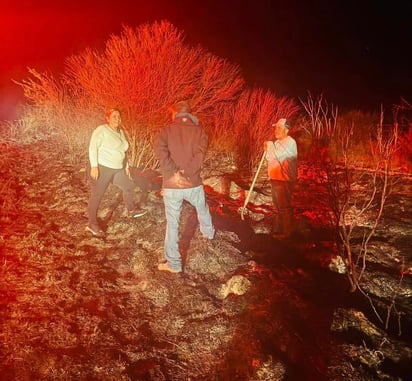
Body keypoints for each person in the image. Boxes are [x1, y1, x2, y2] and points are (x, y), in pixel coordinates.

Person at [154, 101, 215, 273]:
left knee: (172, 223)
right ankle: (208, 233)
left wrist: (173, 172)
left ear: (175, 114)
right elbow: (199, 155)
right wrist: (186, 173)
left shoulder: (165, 131)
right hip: (193, 182)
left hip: (172, 184)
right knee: (202, 208)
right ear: (189, 114)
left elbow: (160, 150)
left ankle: (173, 264)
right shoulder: (200, 132)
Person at [86, 107, 147, 237]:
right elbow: (93, 147)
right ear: (107, 118)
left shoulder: (120, 132)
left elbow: (123, 151)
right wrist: (94, 166)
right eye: (114, 116)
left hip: (117, 168)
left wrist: (126, 166)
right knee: (97, 194)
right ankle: (92, 223)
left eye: (119, 117)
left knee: (128, 185)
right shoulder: (101, 130)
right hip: (103, 167)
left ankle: (131, 210)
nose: (117, 119)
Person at [264, 118, 298, 239]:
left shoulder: (290, 142)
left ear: (286, 130)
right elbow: (269, 157)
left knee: (284, 207)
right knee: (278, 207)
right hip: (275, 177)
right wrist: (268, 147)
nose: (276, 130)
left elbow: (277, 155)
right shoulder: (277, 143)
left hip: (284, 179)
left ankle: (288, 234)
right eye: (276, 127)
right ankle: (279, 230)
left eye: (279, 128)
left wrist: (270, 145)